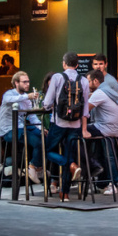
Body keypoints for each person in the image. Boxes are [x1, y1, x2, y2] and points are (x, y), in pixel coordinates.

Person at [43, 51, 90, 202]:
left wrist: (48, 106)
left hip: (59, 123)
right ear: (77, 65)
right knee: (69, 153)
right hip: (75, 124)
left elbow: (47, 103)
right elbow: (85, 109)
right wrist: (84, 128)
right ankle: (65, 193)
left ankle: (70, 165)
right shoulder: (83, 80)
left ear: (64, 63)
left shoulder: (57, 77)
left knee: (48, 150)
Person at [0, 71, 44, 184]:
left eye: (28, 82)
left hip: (22, 127)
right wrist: (27, 96)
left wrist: (41, 128)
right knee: (37, 142)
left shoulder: (27, 99)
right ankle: (33, 167)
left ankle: (37, 168)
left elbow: (32, 116)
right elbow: (9, 100)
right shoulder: (9, 94)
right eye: (24, 82)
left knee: (43, 136)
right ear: (16, 83)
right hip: (9, 130)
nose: (27, 84)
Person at [83, 69, 118, 195]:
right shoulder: (109, 90)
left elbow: (84, 111)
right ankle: (102, 183)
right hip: (114, 129)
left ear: (95, 81)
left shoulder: (100, 92)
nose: (87, 84)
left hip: (104, 128)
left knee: (73, 133)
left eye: (88, 81)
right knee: (102, 153)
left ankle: (91, 165)